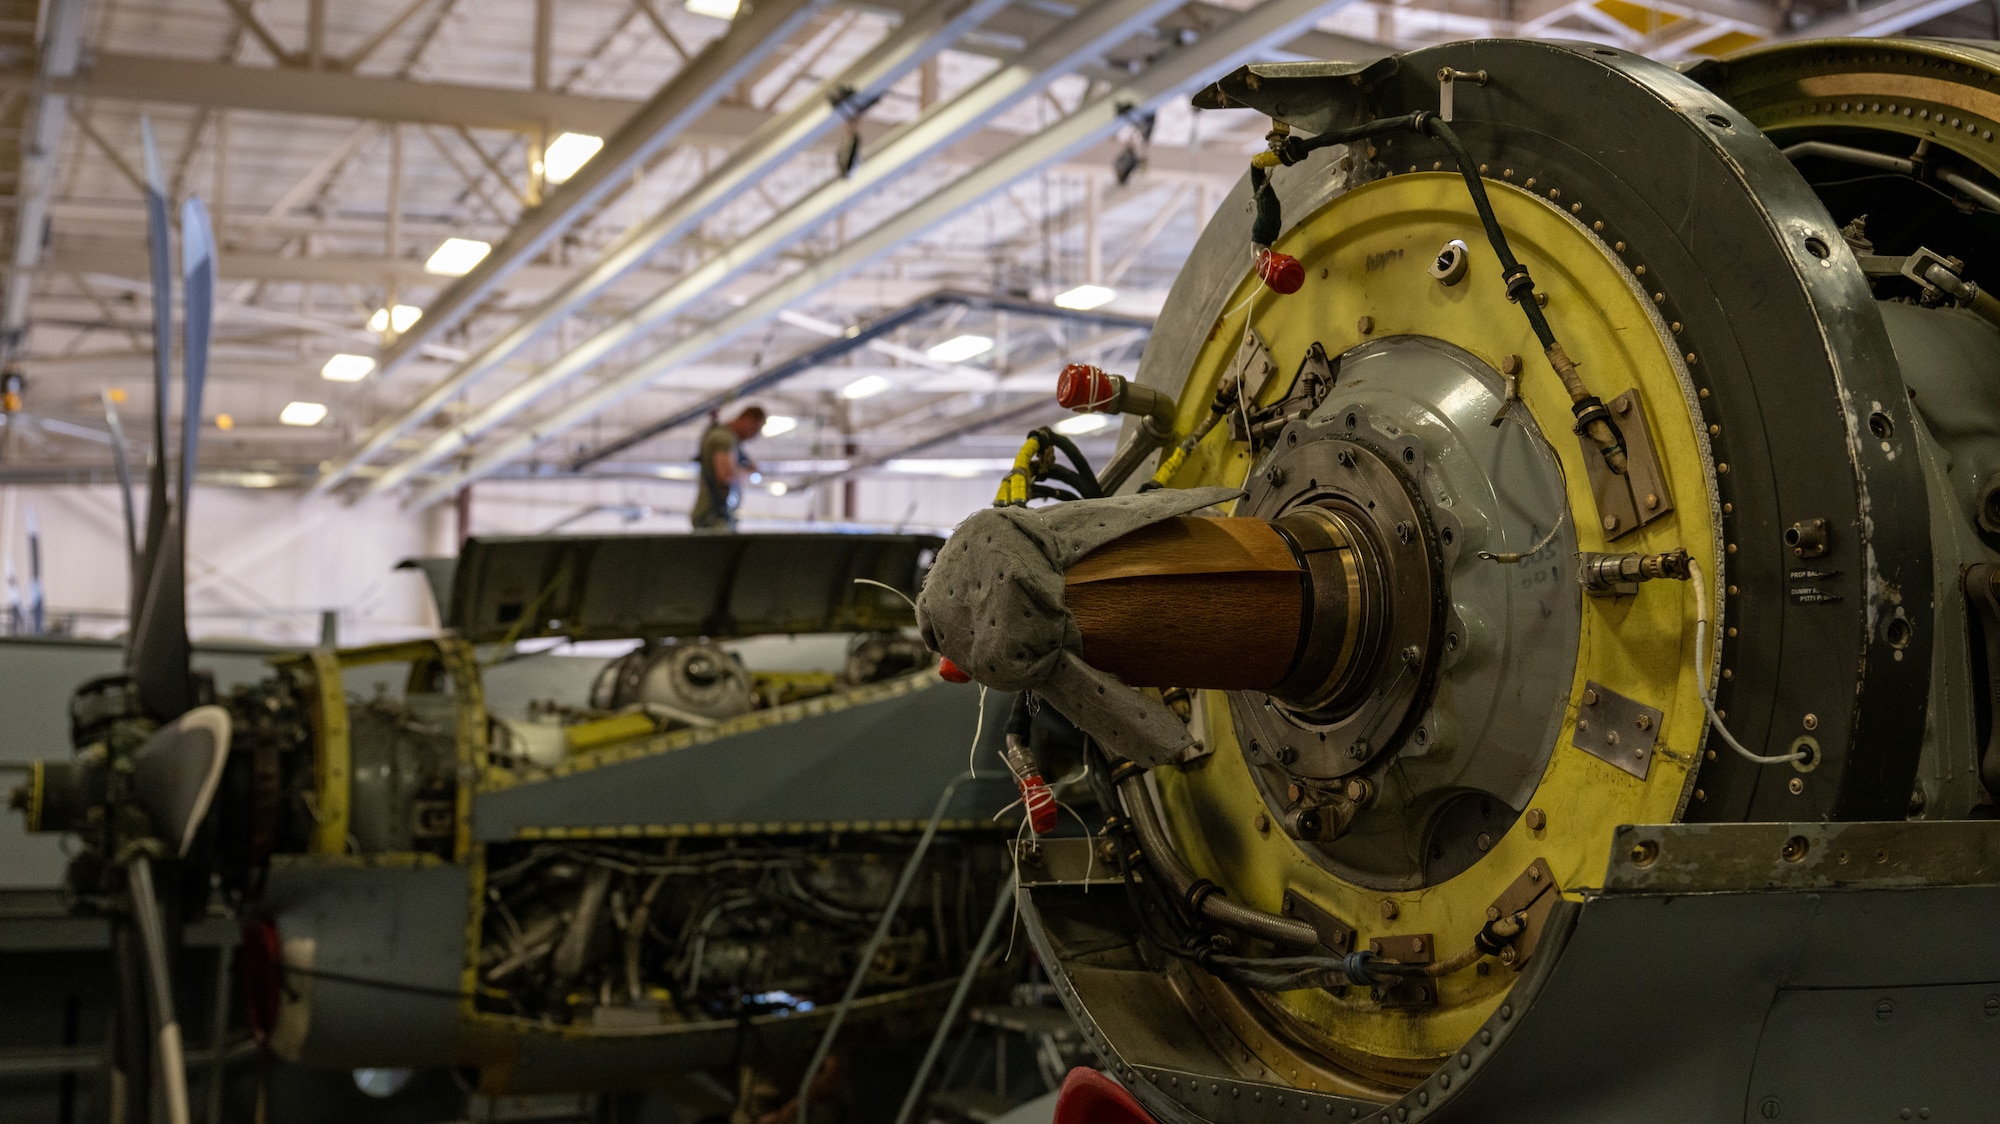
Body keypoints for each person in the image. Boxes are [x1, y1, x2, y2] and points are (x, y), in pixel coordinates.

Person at [691, 405, 767, 532]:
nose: (753, 436)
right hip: (713, 517)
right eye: (755, 429)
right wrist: (749, 471)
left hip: (714, 516)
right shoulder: (724, 439)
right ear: (747, 420)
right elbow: (726, 475)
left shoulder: (724, 437)